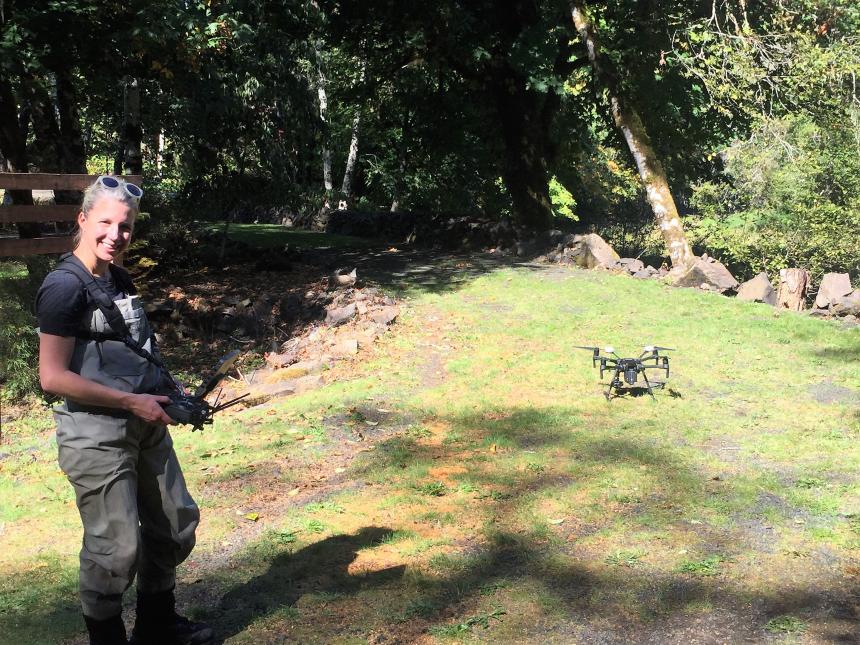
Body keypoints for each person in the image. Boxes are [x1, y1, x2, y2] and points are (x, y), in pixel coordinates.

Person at [36, 176, 213, 645]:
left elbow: (131, 351)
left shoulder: (117, 277)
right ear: (82, 220)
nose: (116, 235)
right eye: (106, 223)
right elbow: (51, 377)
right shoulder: (62, 287)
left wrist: (166, 397)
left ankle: (157, 626)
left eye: (126, 226)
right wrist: (129, 401)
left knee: (174, 526)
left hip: (144, 423)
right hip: (94, 433)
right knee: (116, 549)